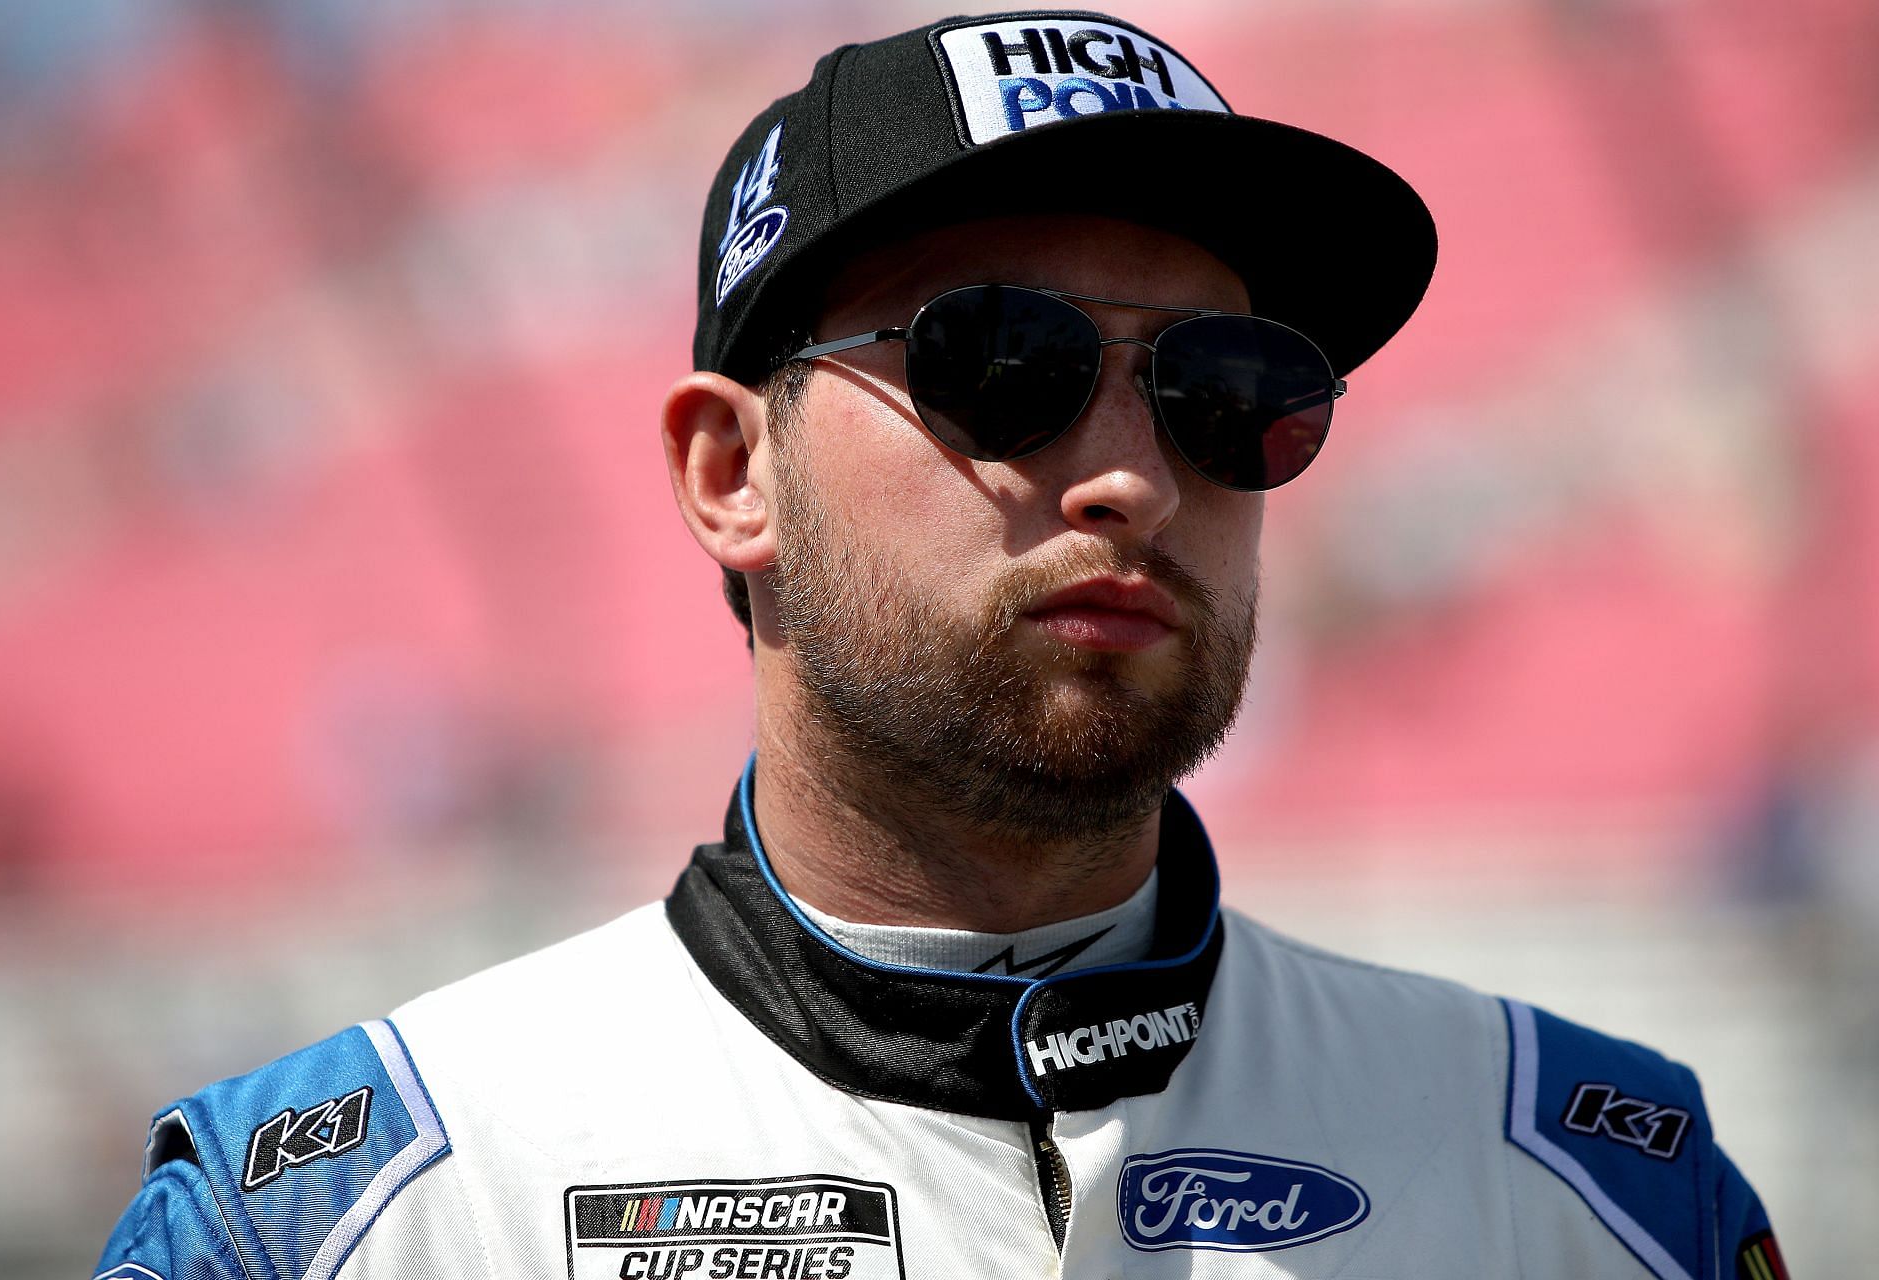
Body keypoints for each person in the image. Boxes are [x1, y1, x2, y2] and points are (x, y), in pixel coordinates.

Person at [94, 11, 1788, 1280]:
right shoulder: (339, 1211)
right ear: (730, 470)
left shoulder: (1598, 1180)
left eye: (1231, 390)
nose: (1130, 476)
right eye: (1004, 361)